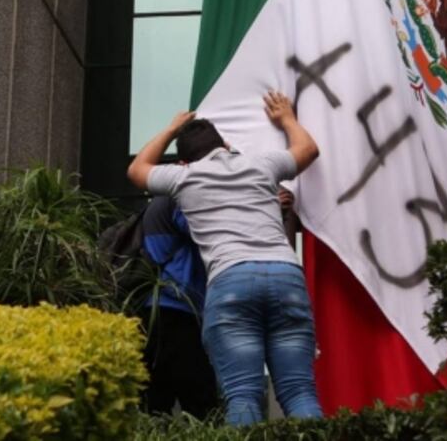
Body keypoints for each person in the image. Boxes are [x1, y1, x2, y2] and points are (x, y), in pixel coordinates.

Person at [126, 91, 322, 425]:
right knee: (299, 391)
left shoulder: (183, 178)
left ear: (184, 161)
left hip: (231, 280)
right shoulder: (262, 164)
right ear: (227, 145)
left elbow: (137, 170)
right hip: (286, 275)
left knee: (243, 394)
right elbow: (308, 150)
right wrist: (286, 118)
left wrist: (172, 129)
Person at [139, 195, 218, 419]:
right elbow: (215, 229)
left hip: (156, 309)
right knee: (202, 405)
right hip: (177, 309)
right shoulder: (178, 202)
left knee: (155, 405)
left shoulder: (158, 204)